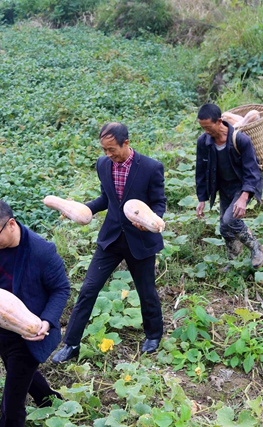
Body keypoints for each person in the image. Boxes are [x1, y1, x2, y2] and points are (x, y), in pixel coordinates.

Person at [52, 122, 166, 363]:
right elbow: (106, 198)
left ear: (126, 143)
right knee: (88, 289)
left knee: (146, 290)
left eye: (112, 149)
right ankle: (71, 344)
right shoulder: (103, 164)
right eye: (104, 149)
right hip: (111, 238)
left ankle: (154, 335)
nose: (107, 154)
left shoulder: (150, 167)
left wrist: (150, 221)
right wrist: (81, 209)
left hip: (140, 240)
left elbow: (159, 203)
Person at [0, 198, 70, 427]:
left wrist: (47, 321)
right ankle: (49, 400)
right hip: (0, 326)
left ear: (11, 224)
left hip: (29, 333)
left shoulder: (41, 251)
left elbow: (61, 288)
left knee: (12, 403)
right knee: (21, 375)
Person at [194, 103, 263, 269]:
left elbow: (252, 171)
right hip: (224, 186)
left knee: (230, 220)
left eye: (208, 127)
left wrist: (244, 197)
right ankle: (234, 262)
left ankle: (256, 248)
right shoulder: (203, 142)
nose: (206, 131)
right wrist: (202, 198)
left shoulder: (240, 139)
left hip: (242, 185)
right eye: (203, 127)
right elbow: (201, 170)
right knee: (224, 228)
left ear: (219, 121)